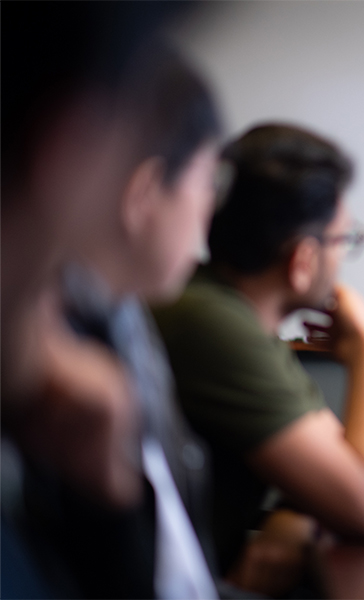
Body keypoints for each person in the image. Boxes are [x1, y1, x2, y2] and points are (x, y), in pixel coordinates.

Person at [6, 39, 229, 598]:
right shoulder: (68, 352)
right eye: (207, 188)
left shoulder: (126, 322)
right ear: (145, 193)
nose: (206, 226)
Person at [152, 123, 364, 590]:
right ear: (303, 260)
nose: (343, 258)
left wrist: (295, 512)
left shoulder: (229, 312)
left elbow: (334, 455)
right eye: (342, 241)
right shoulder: (212, 326)